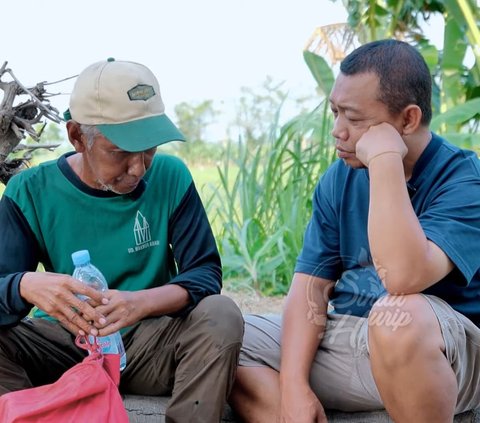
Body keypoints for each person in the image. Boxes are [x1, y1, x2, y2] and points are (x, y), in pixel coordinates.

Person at [229, 39, 480, 423]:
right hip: (351, 336)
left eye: (354, 118)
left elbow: (403, 277)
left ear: (408, 120)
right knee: (225, 335)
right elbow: (310, 286)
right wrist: (294, 385)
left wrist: (383, 160)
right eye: (334, 112)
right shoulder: (339, 178)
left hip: (439, 353)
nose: (337, 131)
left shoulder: (463, 180)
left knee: (399, 316)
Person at [0, 58, 244, 423]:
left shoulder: (171, 177)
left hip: (152, 345)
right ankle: (33, 413)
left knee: (221, 314)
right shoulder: (31, 192)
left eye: (149, 148)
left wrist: (139, 304)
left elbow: (204, 274)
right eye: (120, 152)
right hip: (67, 347)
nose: (139, 167)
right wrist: (25, 285)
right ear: (77, 136)